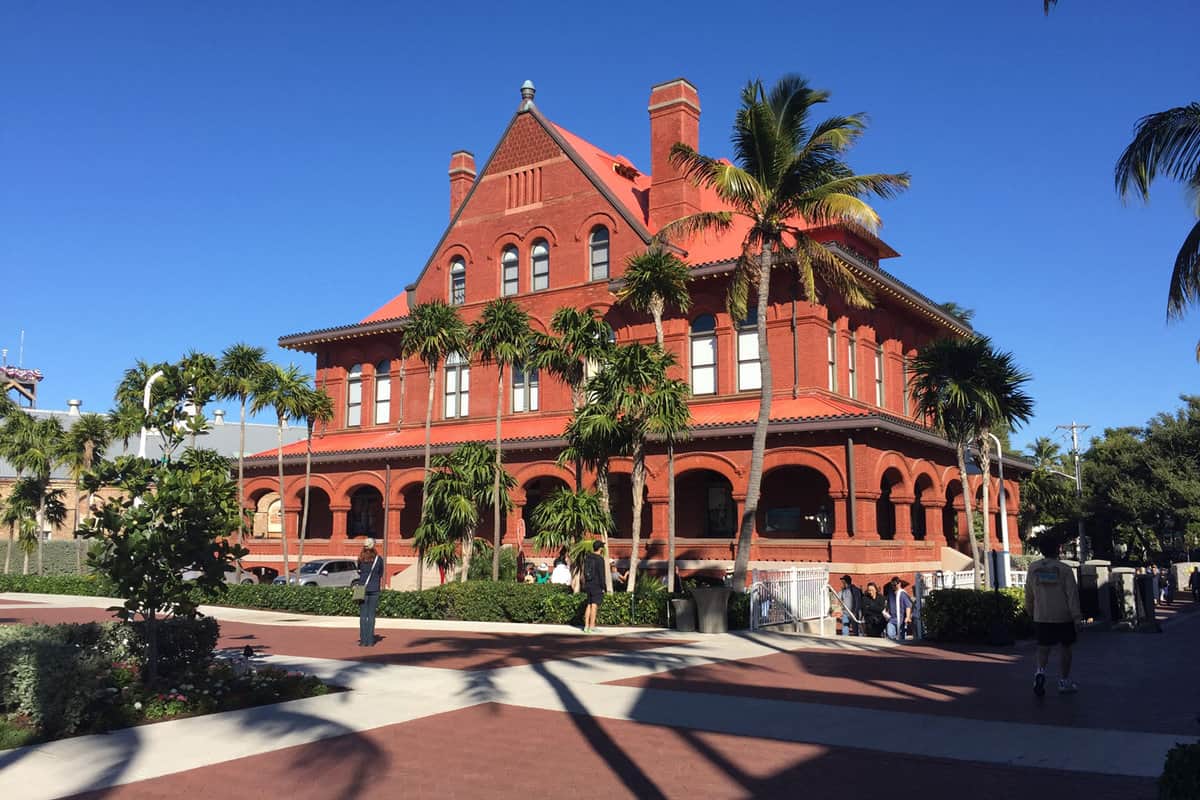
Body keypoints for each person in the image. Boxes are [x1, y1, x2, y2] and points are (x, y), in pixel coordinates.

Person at [1025, 538, 1082, 696]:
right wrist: (1077, 617)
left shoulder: (1033, 568)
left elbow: (1028, 593)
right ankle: (1064, 681)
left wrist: (1030, 611)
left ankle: (1040, 673)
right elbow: (1072, 595)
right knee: (1066, 648)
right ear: (1057, 549)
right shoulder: (1064, 570)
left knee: (1043, 648)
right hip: (1063, 617)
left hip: (1041, 616)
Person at [356, 538, 384, 647]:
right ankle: (370, 641)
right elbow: (380, 573)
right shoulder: (378, 559)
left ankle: (363, 641)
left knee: (363, 615)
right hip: (374, 589)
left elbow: (359, 571)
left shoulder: (360, 559)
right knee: (371, 616)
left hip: (362, 588)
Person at [581, 540, 606, 633]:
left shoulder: (587, 557)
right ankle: (592, 626)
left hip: (588, 583)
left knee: (589, 604)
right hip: (596, 584)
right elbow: (601, 574)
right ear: (600, 548)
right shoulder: (599, 559)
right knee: (594, 605)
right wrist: (604, 586)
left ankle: (586, 626)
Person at [884, 577, 913, 642]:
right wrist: (886, 612)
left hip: (901, 620)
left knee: (901, 639)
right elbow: (888, 604)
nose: (894, 586)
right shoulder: (891, 593)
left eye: (895, 584)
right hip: (892, 619)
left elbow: (908, 606)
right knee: (890, 636)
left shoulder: (902, 594)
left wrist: (908, 617)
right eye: (892, 585)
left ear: (899, 584)